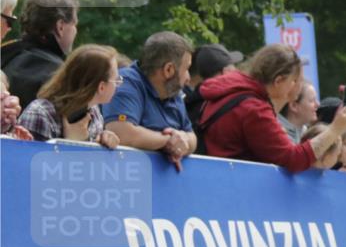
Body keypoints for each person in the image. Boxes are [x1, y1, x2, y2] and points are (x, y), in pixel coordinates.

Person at [198, 44, 346, 172]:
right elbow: (293, 159)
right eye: (296, 80)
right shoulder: (255, 110)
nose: (299, 85)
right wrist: (335, 130)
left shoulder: (238, 91)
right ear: (279, 81)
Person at [103, 31, 197, 171]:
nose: (188, 78)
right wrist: (167, 142)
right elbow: (121, 133)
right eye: (187, 69)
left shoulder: (174, 92)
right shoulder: (126, 83)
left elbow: (192, 138)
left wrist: (183, 140)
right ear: (169, 70)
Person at [16, 44, 120, 148]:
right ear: (101, 87)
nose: (118, 84)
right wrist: (71, 143)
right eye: (116, 80)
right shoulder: (40, 114)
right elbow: (30, 160)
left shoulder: (94, 113)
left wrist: (103, 141)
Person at [1, 0, 78, 107]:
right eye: (74, 25)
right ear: (61, 26)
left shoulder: (5, 57)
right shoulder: (61, 76)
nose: (75, 31)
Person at [184, 44, 243, 125]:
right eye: (233, 66)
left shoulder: (188, 105)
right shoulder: (232, 105)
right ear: (225, 72)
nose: (237, 71)